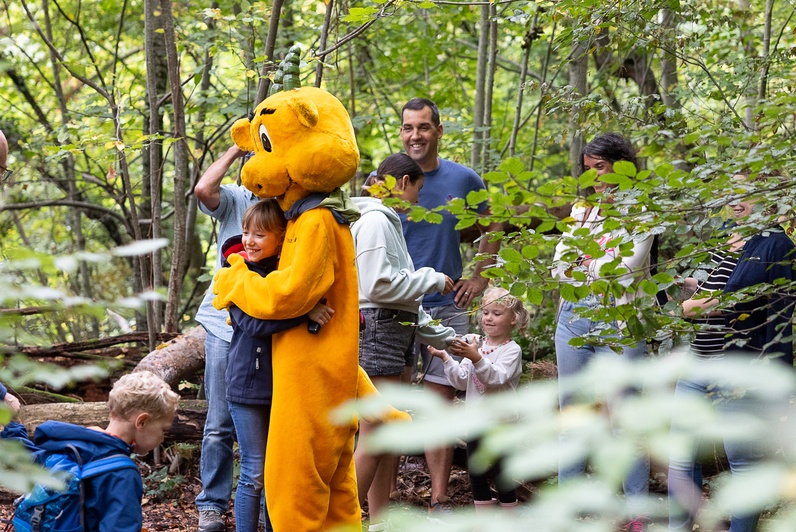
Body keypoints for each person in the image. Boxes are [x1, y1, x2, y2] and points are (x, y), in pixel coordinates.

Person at [667, 174, 796, 531]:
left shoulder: (776, 244)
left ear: (770, 197)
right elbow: (729, 283)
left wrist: (777, 385)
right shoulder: (733, 237)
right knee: (679, 458)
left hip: (738, 371)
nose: (736, 202)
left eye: (747, 194)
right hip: (698, 364)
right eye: (732, 194)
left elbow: (778, 318)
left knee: (742, 469)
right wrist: (695, 285)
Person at [398, 97, 503, 510]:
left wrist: (479, 275)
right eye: (408, 127)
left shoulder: (463, 179)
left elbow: (493, 222)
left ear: (438, 131)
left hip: (446, 305)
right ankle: (380, 500)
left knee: (440, 400)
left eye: (423, 127)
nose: (415, 135)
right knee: (391, 400)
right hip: (396, 307)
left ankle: (439, 499)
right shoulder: (388, 179)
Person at [551, 133, 653, 528]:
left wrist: (586, 262)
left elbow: (627, 270)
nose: (594, 177)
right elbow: (559, 268)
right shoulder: (582, 211)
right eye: (588, 169)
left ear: (622, 166)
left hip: (621, 318)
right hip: (575, 313)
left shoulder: (641, 211)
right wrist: (596, 262)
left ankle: (636, 515)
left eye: (601, 167)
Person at [351, 153, 456, 530]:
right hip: (378, 330)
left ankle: (378, 520)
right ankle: (342, 520)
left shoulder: (386, 221)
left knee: (386, 431)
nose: (416, 200)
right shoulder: (377, 220)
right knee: (375, 430)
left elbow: (402, 295)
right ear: (403, 182)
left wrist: (447, 338)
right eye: (417, 190)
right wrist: (431, 277)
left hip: (395, 329)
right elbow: (376, 286)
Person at [221, 199, 333, 532]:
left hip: (284, 389)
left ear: (281, 238)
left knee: (279, 473)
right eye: (245, 233)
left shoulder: (288, 276)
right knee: (255, 472)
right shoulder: (236, 273)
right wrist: (304, 313)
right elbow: (255, 324)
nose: (250, 241)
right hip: (246, 389)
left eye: (260, 234)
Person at [0, 370, 180, 532]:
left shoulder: (72, 446)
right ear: (141, 422)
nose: (162, 438)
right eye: (163, 430)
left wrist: (10, 422)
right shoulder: (122, 474)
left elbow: (25, 455)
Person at [193, 146, 258, 532]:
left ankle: (263, 500)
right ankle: (212, 505)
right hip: (222, 325)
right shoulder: (236, 198)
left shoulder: (291, 207)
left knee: (265, 418)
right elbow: (203, 189)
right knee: (218, 422)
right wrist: (236, 147)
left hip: (266, 329)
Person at [428, 286, 529, 513]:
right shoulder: (477, 344)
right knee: (477, 471)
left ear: (514, 319)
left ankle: (509, 516)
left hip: (502, 423)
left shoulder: (512, 350)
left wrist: (475, 357)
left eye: (497, 313)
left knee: (503, 471)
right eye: (485, 313)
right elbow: (461, 382)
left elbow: (496, 377)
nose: (488, 318)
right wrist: (446, 358)